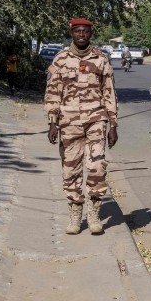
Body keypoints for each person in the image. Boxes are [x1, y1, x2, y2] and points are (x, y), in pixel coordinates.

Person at [44, 18, 118, 235]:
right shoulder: (61, 60)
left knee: (97, 167)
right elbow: (52, 92)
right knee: (71, 170)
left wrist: (113, 124)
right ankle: (75, 215)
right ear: (72, 33)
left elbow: (109, 93)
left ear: (90, 33)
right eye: (78, 31)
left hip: (96, 120)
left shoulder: (101, 60)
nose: (82, 35)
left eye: (85, 31)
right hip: (68, 123)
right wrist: (52, 122)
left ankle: (94, 213)